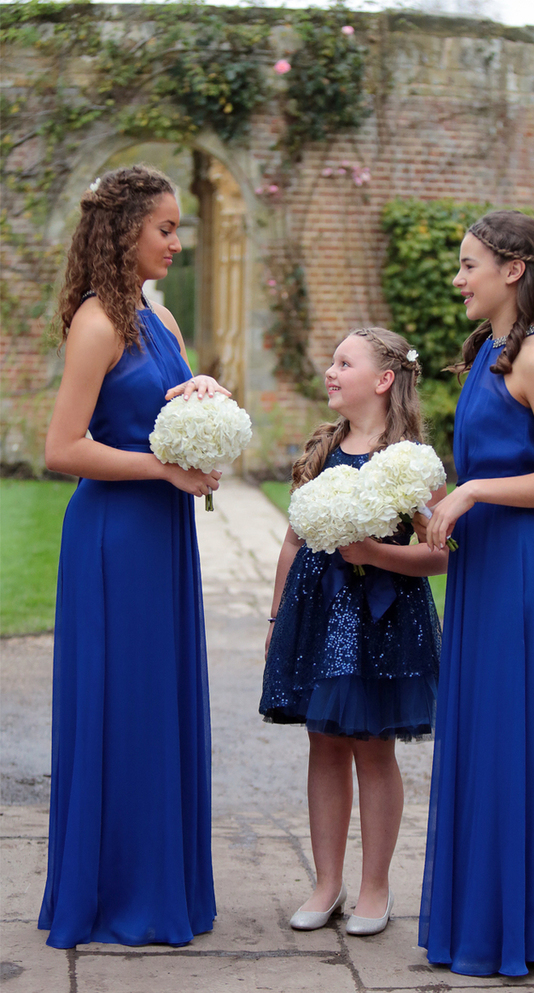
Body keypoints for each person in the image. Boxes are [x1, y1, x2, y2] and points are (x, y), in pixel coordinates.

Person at [38, 165, 228, 948]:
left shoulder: (161, 318)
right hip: (114, 540)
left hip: (163, 535)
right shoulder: (97, 323)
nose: (177, 242)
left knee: (159, 703)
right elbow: (62, 448)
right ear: (125, 233)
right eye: (165, 228)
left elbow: (162, 408)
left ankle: (159, 882)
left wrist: (201, 394)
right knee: (122, 704)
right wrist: (163, 469)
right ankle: (115, 892)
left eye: (178, 228)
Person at [418, 210, 534, 976]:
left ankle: (523, 927)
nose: (458, 278)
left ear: (512, 270)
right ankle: (490, 918)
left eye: (469, 265)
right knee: (485, 735)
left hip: (528, 572)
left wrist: (472, 491)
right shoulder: (486, 354)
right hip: (485, 565)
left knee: (512, 735)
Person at [260, 327, 449, 936]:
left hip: (382, 621)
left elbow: (440, 556)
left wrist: (373, 553)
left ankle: (375, 888)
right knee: (323, 743)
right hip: (318, 617)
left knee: (373, 746)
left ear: (384, 379)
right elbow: (293, 542)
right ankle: (326, 883)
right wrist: (277, 619)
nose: (331, 371)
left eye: (345, 362)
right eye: (333, 362)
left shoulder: (411, 462)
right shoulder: (323, 449)